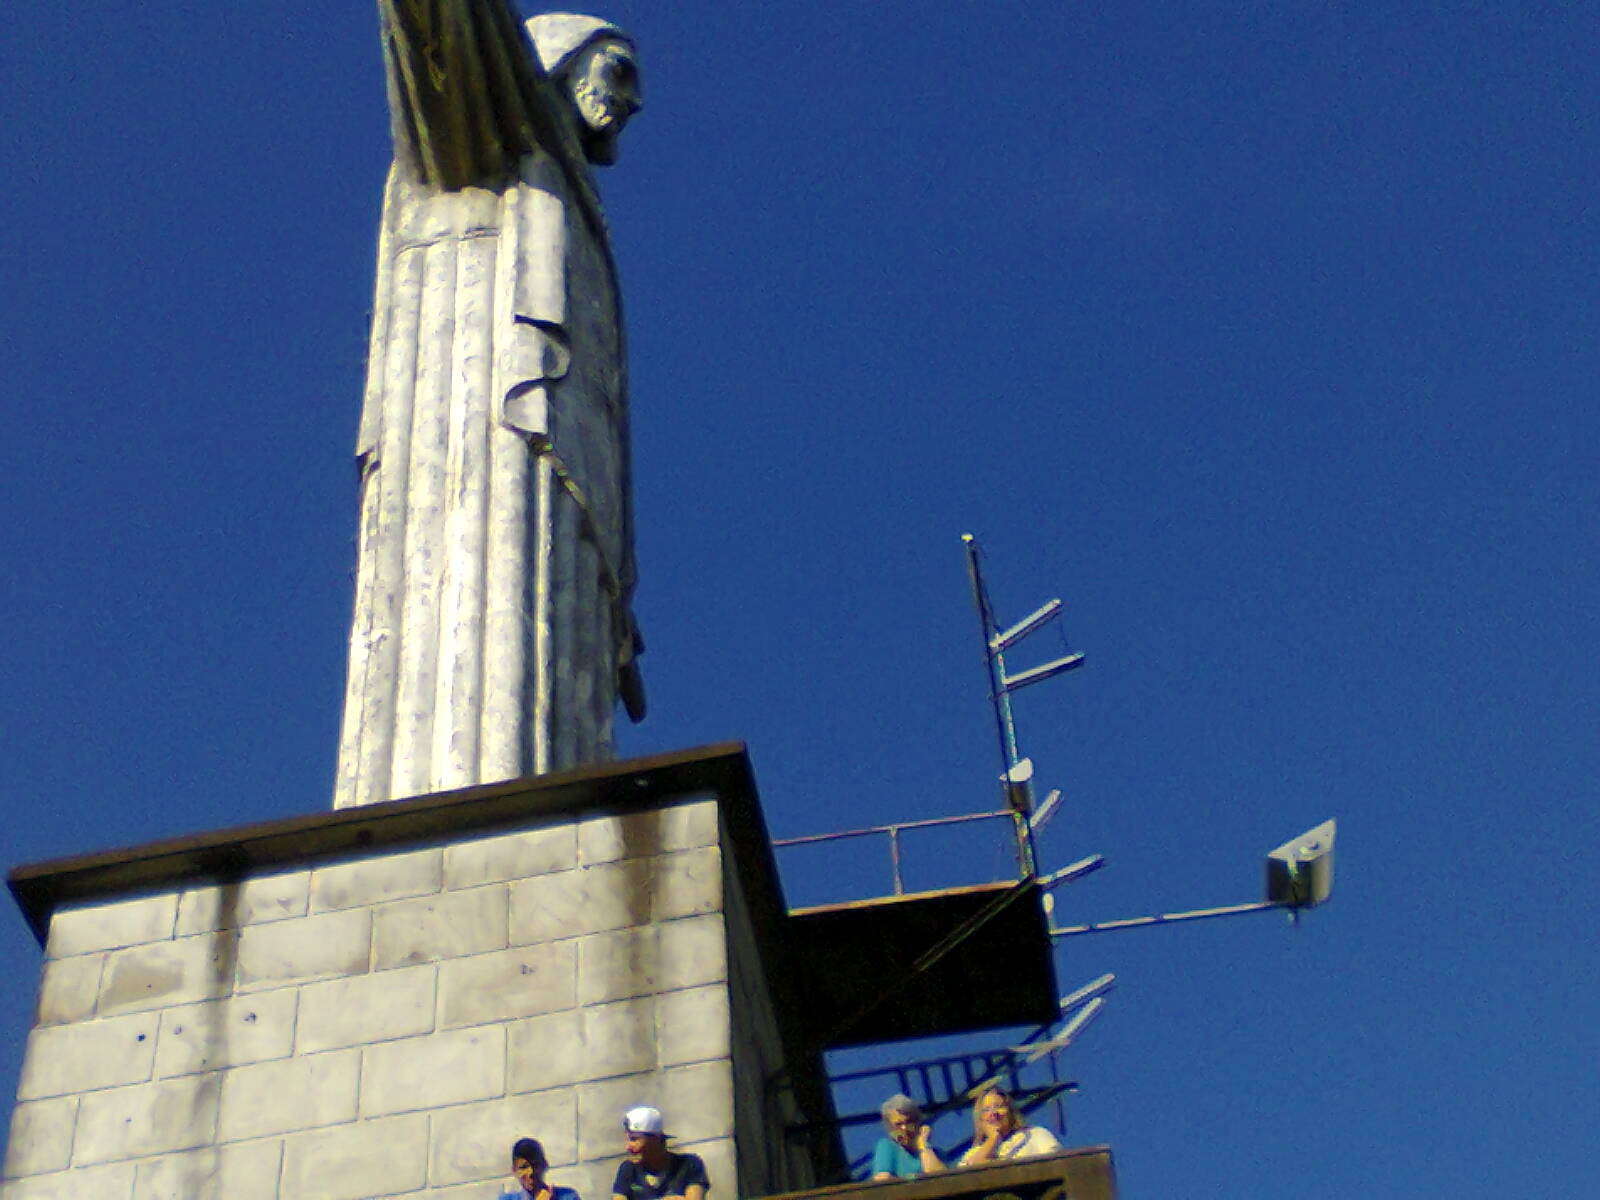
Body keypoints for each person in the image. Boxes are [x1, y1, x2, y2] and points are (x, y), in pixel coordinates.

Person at [337, 3, 646, 809]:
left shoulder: (575, 200)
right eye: (619, 70)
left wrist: (621, 586)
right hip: (467, 434)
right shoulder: (494, 136)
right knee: (482, 603)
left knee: (546, 614)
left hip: (568, 489)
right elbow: (442, 33)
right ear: (560, 61)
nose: (633, 101)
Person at [611, 1105, 710, 1200]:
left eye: (634, 1139)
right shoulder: (628, 1169)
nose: (628, 1147)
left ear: (655, 1140)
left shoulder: (689, 1165)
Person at [956, 1087, 1061, 1167]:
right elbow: (966, 1174)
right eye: (986, 1110)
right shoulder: (973, 1153)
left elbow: (1057, 1164)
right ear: (981, 1119)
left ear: (1010, 1111)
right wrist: (993, 1139)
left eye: (999, 1106)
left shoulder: (1035, 1135)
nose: (993, 1113)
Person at [870, 1094, 943, 1180]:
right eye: (898, 1124)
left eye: (909, 1122)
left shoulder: (935, 1153)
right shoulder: (887, 1146)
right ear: (890, 1128)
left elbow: (941, 1179)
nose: (904, 1128)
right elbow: (882, 1179)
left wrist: (923, 1144)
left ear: (917, 1123)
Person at [500, 1137, 581, 1200]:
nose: (530, 1172)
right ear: (514, 1171)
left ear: (545, 1165)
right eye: (523, 1167)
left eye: (535, 1165)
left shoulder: (568, 1196)